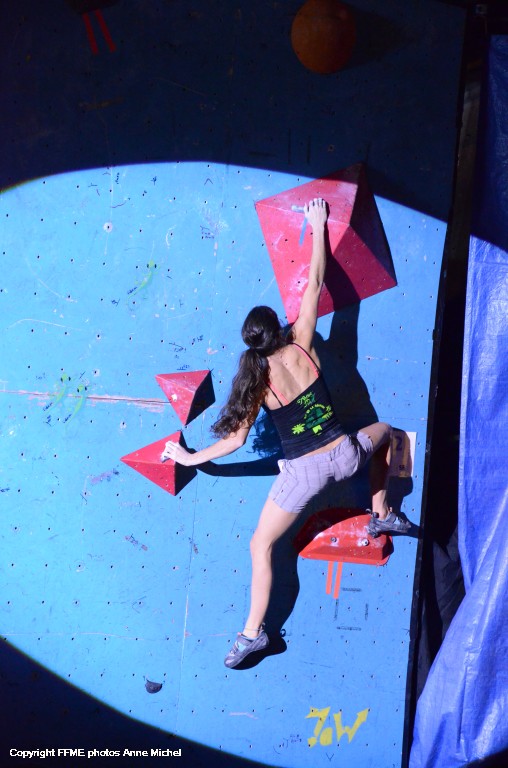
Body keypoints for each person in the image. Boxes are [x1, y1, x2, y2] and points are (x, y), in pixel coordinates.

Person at [161, 198, 410, 668]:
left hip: (306, 475)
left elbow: (236, 440)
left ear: (252, 344)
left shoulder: (259, 379)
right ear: (277, 326)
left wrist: (190, 458)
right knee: (388, 433)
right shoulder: (303, 342)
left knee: (261, 546)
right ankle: (380, 512)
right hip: (348, 454)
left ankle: (252, 634)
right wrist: (318, 226)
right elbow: (315, 283)